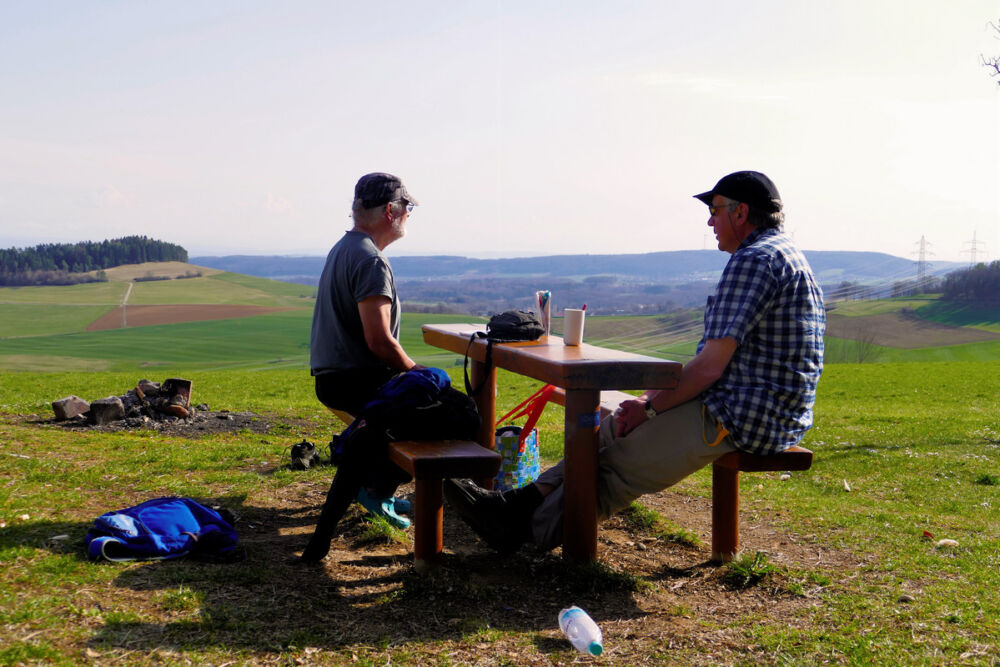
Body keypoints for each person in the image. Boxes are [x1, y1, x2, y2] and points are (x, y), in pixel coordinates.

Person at [444, 170, 826, 553]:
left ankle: (526, 533)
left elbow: (710, 367)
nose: (710, 220)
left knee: (614, 465)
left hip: (746, 415)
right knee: (609, 431)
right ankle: (516, 505)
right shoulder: (785, 253)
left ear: (740, 213)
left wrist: (651, 410)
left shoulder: (753, 261)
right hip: (769, 409)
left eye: (715, 209)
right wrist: (645, 404)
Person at [309, 172, 421, 530]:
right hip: (356, 379)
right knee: (441, 416)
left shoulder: (344, 247)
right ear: (390, 211)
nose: (409, 214)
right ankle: (374, 489)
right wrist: (415, 371)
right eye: (407, 207)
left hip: (334, 376)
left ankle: (374, 485)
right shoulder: (371, 260)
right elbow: (380, 341)